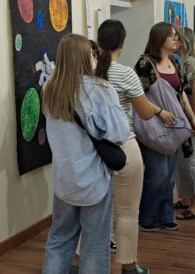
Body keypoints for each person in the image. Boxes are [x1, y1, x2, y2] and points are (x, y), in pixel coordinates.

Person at [41, 33, 130, 274]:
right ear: (86, 57)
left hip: (64, 180)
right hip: (94, 181)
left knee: (59, 241)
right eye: (92, 54)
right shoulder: (101, 89)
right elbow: (120, 132)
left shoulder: (49, 89)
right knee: (94, 246)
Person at [94, 20, 175, 274]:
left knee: (92, 210)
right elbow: (145, 113)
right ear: (123, 42)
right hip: (124, 146)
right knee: (128, 212)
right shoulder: (125, 73)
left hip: (93, 149)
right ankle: (129, 267)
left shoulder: (87, 71)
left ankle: (82, 262)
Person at [135, 22, 195, 232]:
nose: (176, 40)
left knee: (170, 174)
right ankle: (147, 216)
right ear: (160, 38)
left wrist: (191, 119)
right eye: (172, 36)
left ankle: (164, 215)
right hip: (153, 125)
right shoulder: (145, 64)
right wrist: (160, 112)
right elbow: (138, 97)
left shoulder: (175, 61)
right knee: (157, 173)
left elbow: (181, 93)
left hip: (173, 126)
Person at [173, 27, 195, 221]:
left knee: (189, 163)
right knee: (183, 163)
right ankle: (186, 199)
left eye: (176, 39)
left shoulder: (191, 63)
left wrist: (192, 119)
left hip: (192, 121)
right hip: (186, 120)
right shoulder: (184, 62)